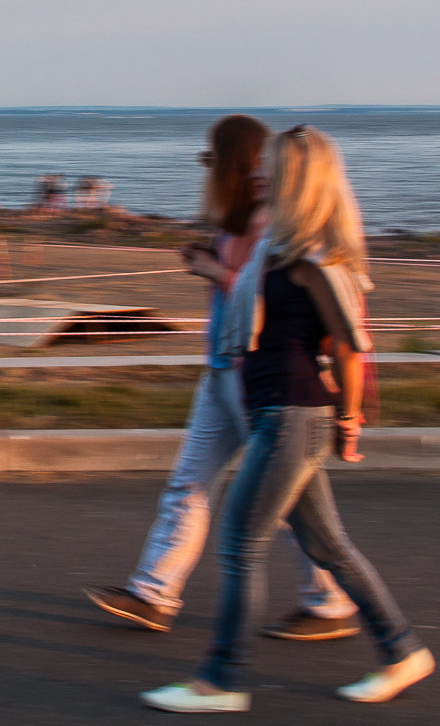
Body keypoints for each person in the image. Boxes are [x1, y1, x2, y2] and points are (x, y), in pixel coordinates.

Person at [141, 125, 433, 713]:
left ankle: (220, 681)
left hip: (292, 416)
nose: (255, 172)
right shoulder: (276, 246)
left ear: (297, 178)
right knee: (330, 547)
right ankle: (403, 653)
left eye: (268, 166)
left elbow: (351, 345)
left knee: (239, 544)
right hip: (277, 410)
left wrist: (348, 423)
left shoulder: (317, 261)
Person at [84, 115, 357, 639]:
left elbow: (271, 307)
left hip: (258, 379)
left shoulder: (271, 226)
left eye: (212, 157)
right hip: (222, 373)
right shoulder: (236, 220)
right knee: (189, 483)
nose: (205, 167)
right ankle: (153, 593)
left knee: (288, 504)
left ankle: (331, 602)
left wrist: (212, 272)